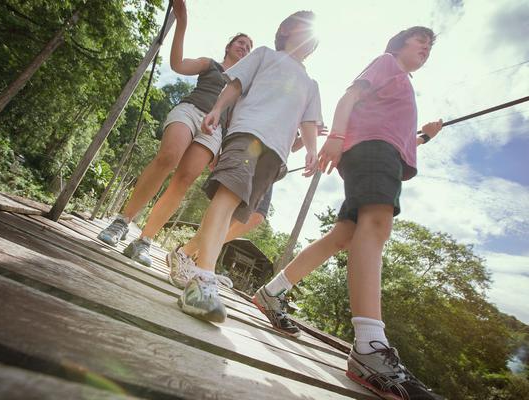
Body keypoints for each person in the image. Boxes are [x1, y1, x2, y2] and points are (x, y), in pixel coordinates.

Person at [252, 27, 444, 400]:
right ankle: (370, 348)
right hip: (372, 152)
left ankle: (271, 292)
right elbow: (351, 97)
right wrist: (336, 136)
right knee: (376, 224)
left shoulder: (400, 83)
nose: (426, 48)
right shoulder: (388, 63)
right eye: (420, 41)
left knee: (345, 235)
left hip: (378, 150)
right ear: (399, 44)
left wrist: (425, 137)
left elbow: (393, 130)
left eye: (430, 47)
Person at [168, 11, 323, 323]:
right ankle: (202, 279)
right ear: (287, 30)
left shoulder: (311, 84)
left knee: (240, 210)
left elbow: (309, 122)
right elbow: (235, 85)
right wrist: (216, 109)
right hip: (247, 132)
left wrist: (311, 150)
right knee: (226, 195)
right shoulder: (265, 55)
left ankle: (193, 263)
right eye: (303, 28)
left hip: (276, 152)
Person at [96, 0, 252, 268]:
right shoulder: (211, 64)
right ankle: (122, 222)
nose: (244, 47)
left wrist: (224, 148)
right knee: (168, 158)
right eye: (240, 42)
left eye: (249, 47)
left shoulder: (242, 87)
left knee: (185, 179)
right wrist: (182, 23)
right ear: (229, 46)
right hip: (190, 111)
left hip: (215, 131)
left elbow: (237, 119)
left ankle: (144, 240)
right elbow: (178, 64)